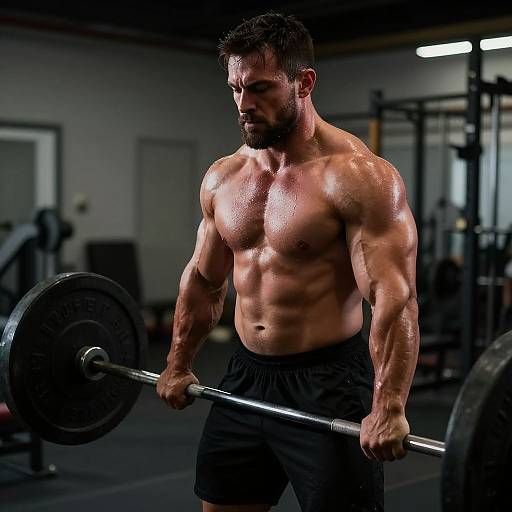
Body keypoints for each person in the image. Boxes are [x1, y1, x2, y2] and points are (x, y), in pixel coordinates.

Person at [157, 12, 419, 512]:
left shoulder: (357, 177)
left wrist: (388, 406)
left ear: (305, 82)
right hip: (245, 376)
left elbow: (394, 298)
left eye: (259, 88)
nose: (243, 104)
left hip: (330, 385)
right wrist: (178, 363)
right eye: (235, 88)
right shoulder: (223, 177)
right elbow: (204, 281)